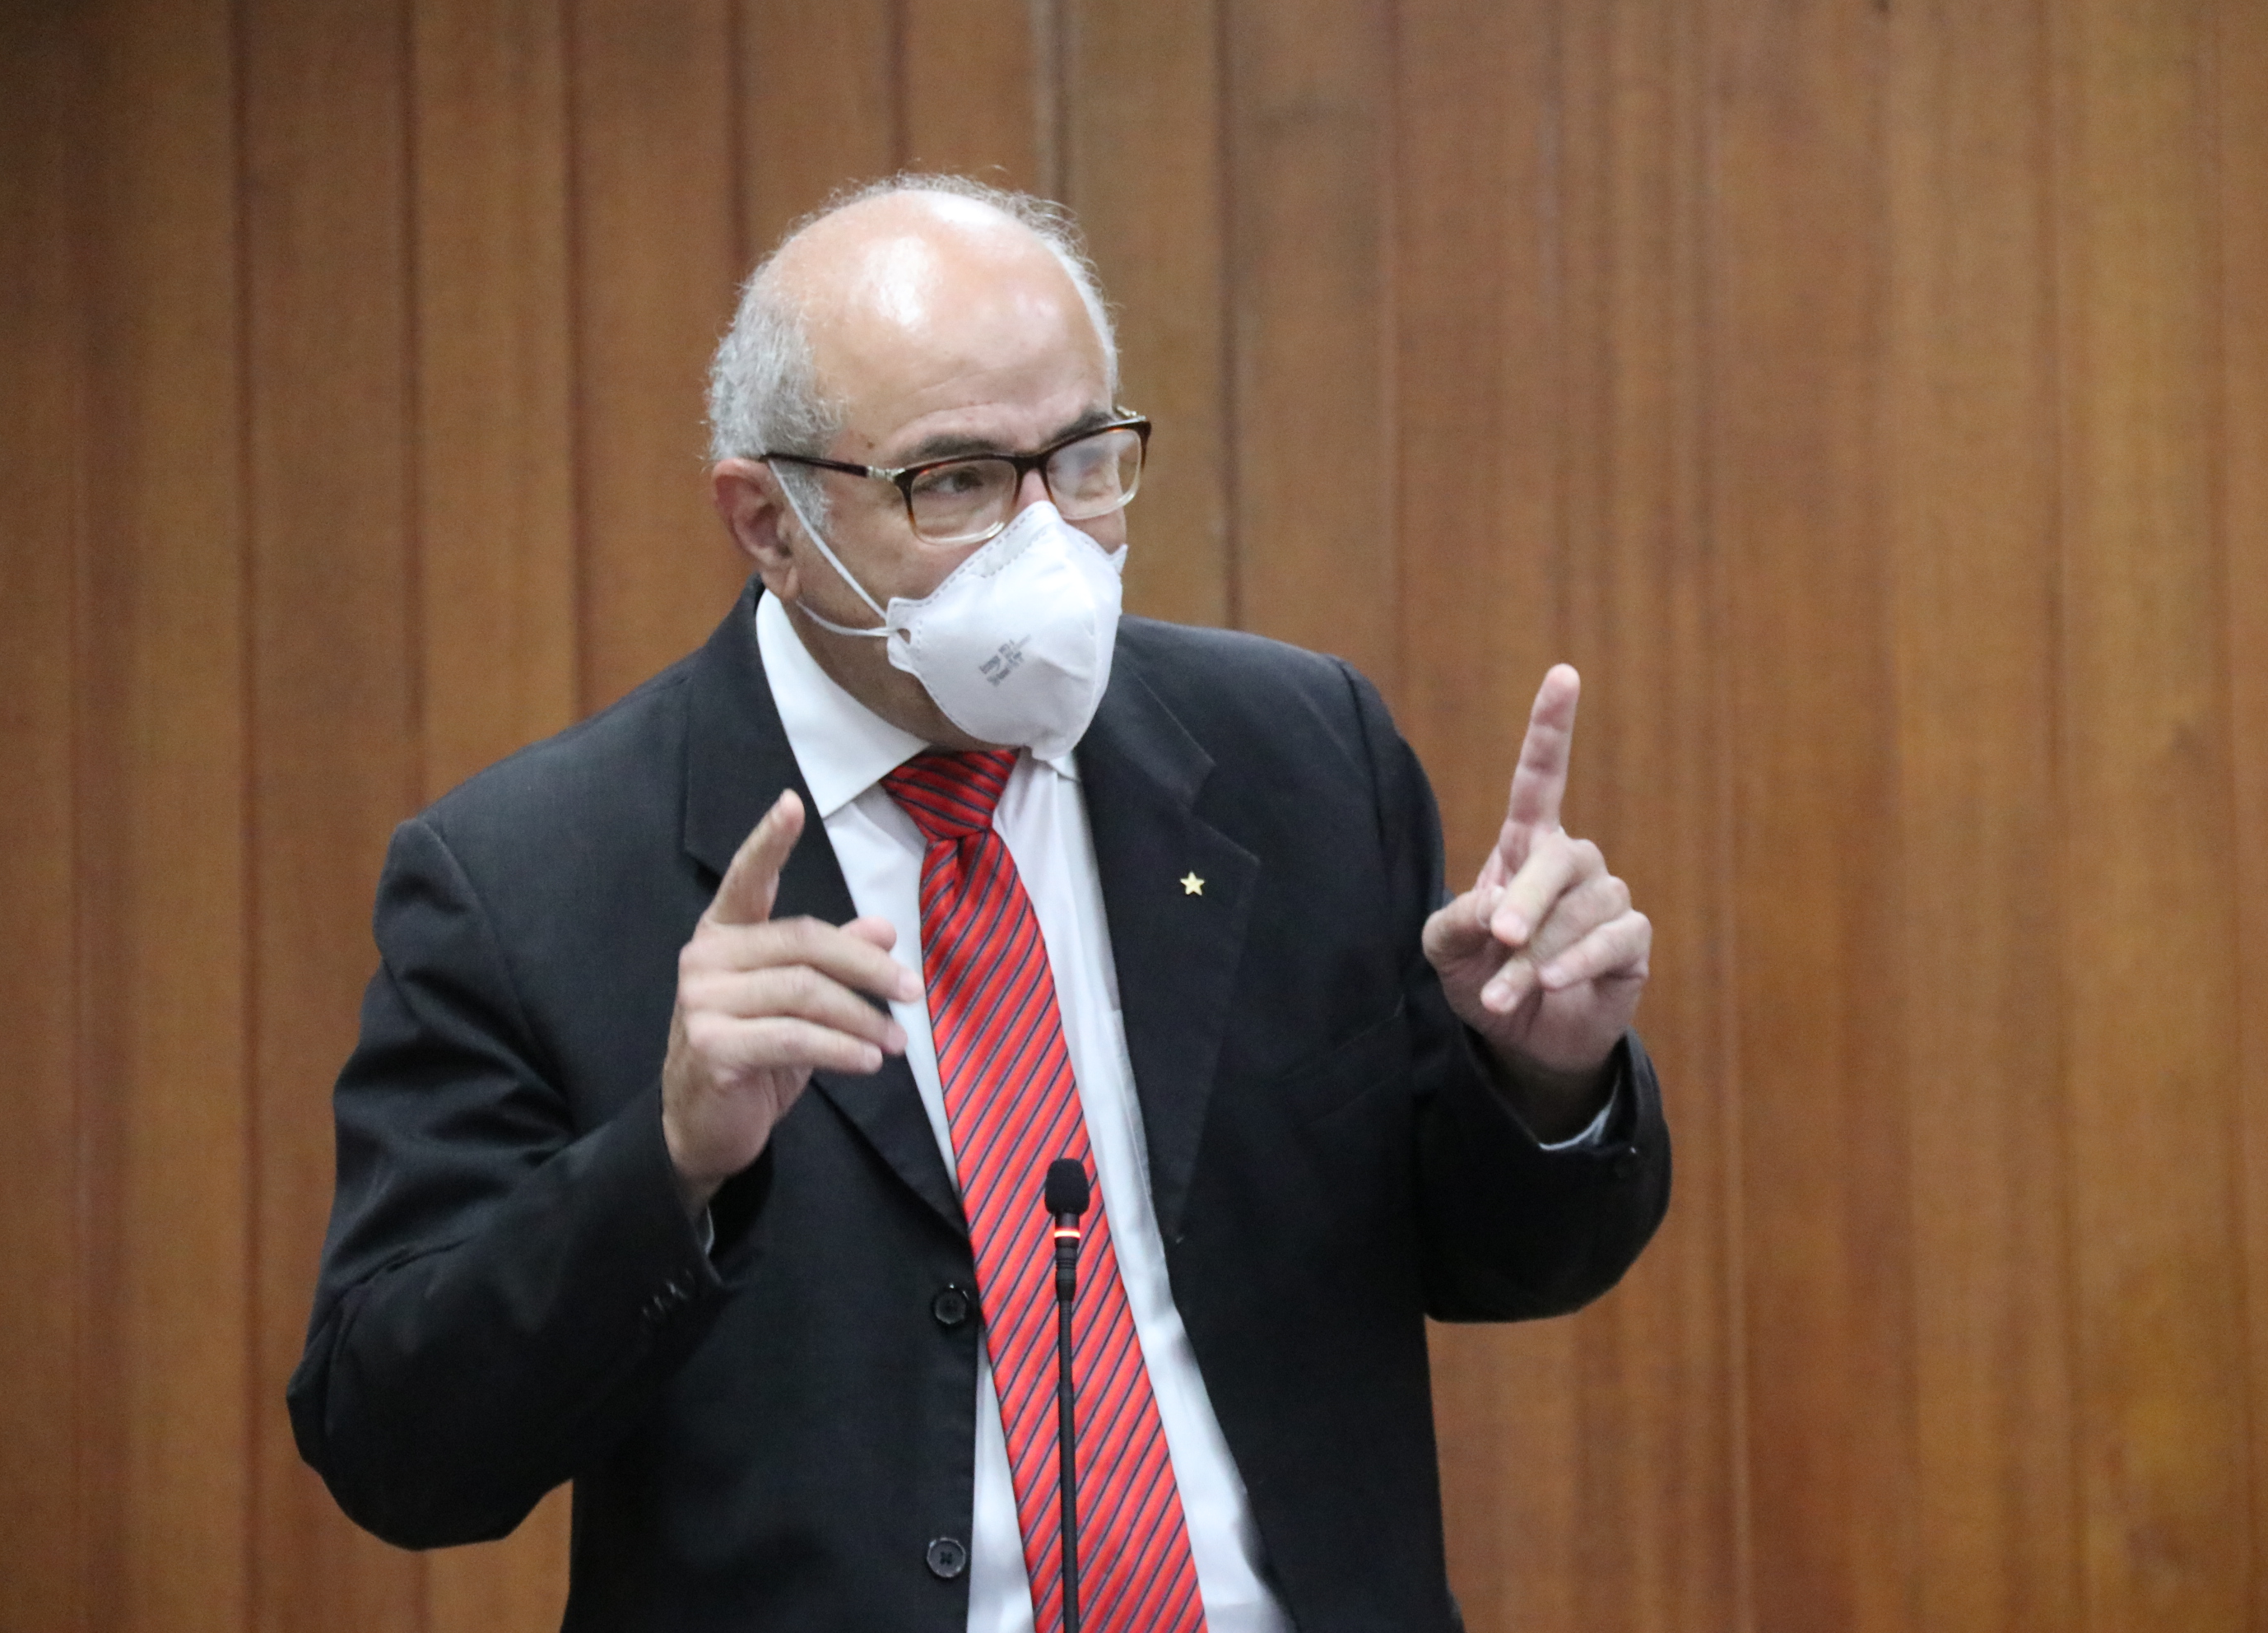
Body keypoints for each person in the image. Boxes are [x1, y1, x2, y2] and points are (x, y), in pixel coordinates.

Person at [290, 174, 1670, 1633]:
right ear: (768, 521)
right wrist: (668, 1166)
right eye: (954, 482)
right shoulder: (528, 877)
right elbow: (397, 1450)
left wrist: (1543, 1078)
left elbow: (1505, 1260)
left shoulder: (1299, 755)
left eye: (1083, 460)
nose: (1047, 539)